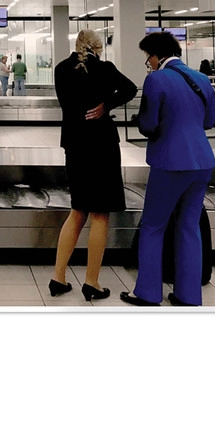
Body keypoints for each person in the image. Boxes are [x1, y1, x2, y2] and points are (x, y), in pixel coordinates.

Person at [121, 31, 215, 307]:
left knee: (153, 225)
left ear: (156, 55)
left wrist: (141, 120)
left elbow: (149, 124)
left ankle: (148, 293)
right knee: (189, 226)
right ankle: (188, 295)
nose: (148, 63)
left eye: (147, 58)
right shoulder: (202, 79)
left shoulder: (157, 79)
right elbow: (208, 122)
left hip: (171, 161)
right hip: (202, 161)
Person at [50, 29, 138, 301]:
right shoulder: (105, 69)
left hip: (75, 145)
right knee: (100, 214)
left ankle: (58, 277)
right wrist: (105, 105)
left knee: (77, 210)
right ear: (98, 48)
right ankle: (92, 282)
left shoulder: (61, 69)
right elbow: (131, 89)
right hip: (101, 146)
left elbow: (67, 105)